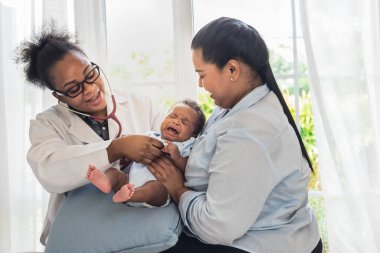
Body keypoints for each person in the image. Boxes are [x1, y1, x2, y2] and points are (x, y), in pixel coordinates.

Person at [148, 17, 323, 253]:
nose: (200, 84)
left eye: (202, 74)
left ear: (232, 69)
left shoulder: (249, 130)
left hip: (262, 243)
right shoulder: (234, 108)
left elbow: (217, 227)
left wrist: (178, 188)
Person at [15, 26, 165, 245]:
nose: (90, 89)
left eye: (90, 74)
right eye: (74, 88)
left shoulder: (139, 104)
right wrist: (116, 148)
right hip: (82, 236)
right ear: (60, 96)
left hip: (138, 228)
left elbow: (172, 152)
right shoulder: (47, 124)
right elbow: (49, 170)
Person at [86, 99, 206, 206]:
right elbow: (136, 150)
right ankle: (107, 182)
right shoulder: (151, 135)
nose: (175, 122)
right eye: (172, 116)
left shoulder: (187, 146)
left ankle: (131, 196)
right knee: (114, 173)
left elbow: (189, 170)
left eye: (184, 122)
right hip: (129, 180)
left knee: (153, 188)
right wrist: (128, 146)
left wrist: (177, 157)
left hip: (160, 189)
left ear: (193, 134)